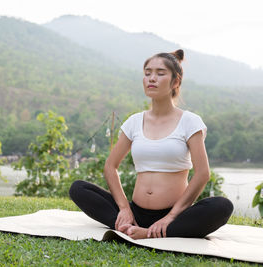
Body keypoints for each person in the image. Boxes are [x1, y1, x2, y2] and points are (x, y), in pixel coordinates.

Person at [69, 49, 233, 239]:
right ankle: (130, 224)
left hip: (175, 214)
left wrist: (171, 216)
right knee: (79, 188)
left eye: (160, 73)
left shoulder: (190, 121)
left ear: (176, 82)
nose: (151, 78)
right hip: (136, 211)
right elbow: (110, 166)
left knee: (222, 206)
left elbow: (203, 174)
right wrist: (124, 209)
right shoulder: (134, 122)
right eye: (147, 73)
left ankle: (150, 232)